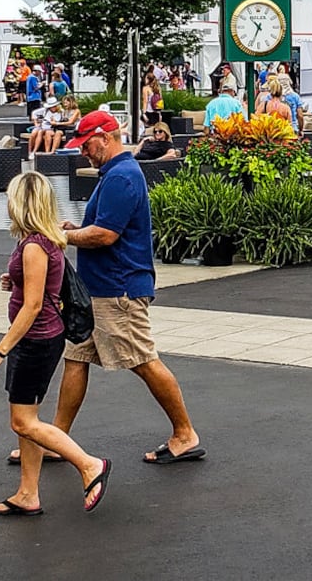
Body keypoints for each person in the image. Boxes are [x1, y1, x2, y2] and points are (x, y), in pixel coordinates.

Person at [49, 110, 205, 467]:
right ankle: (55, 439)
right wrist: (75, 228)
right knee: (76, 358)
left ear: (105, 137)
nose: (84, 152)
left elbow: (106, 235)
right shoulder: (116, 174)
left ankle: (185, 433)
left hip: (118, 289)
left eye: (87, 144)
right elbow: (102, 226)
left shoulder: (121, 177)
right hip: (100, 288)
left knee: (143, 360)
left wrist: (63, 236)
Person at [0, 172, 113, 515]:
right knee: (26, 417)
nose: (7, 204)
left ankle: (89, 465)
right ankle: (28, 493)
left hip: (36, 341)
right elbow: (39, 289)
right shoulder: (40, 241)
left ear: (22, 203)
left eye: (11, 198)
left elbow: (35, 305)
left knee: (23, 422)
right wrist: (16, 280)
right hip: (40, 338)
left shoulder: (34, 246)